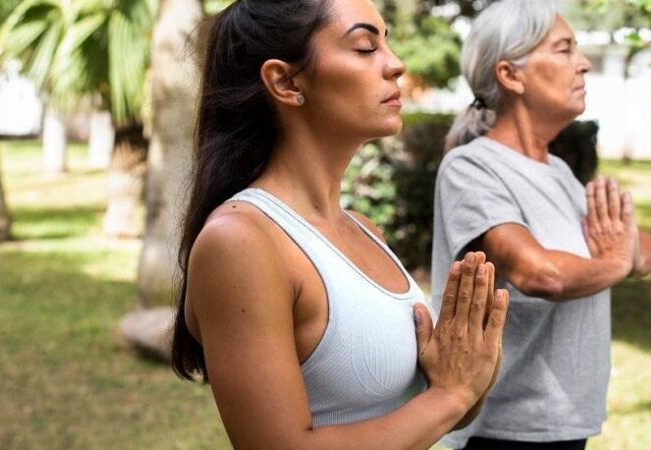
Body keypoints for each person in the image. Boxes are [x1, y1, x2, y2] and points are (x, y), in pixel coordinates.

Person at [170, 1, 510, 449]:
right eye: (366, 46)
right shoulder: (241, 242)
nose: (396, 64)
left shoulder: (364, 230)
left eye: (386, 42)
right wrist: (450, 395)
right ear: (287, 82)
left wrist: (466, 376)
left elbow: (426, 416)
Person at [431, 1, 651, 449]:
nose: (584, 64)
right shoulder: (471, 167)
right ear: (510, 75)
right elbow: (541, 273)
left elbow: (646, 248)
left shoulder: (557, 171)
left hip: (566, 424)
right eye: (564, 49)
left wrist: (622, 250)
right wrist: (617, 261)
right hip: (503, 432)